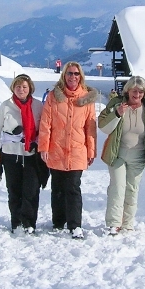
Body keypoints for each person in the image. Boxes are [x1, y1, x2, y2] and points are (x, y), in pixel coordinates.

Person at [98, 75, 145, 235]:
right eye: (134, 91)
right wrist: (116, 113)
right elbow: (102, 125)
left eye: (141, 92)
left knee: (132, 189)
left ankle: (128, 224)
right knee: (117, 187)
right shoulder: (116, 104)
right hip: (117, 154)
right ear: (128, 91)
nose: (137, 95)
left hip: (138, 157)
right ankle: (114, 223)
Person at [39, 62, 98, 239]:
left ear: (81, 77)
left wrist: (91, 150)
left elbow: (90, 126)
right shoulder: (53, 97)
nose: (73, 77)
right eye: (69, 74)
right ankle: (58, 221)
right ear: (64, 76)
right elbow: (45, 123)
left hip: (77, 149)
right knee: (57, 187)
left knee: (73, 187)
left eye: (76, 74)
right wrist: (43, 146)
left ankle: (75, 225)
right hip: (56, 148)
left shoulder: (86, 98)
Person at [0, 74, 44, 234]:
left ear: (30, 89)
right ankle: (16, 221)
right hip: (10, 154)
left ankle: (29, 223)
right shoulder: (6, 106)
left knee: (31, 190)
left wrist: (39, 143)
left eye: (24, 87)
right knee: (14, 189)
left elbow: (44, 128)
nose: (21, 90)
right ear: (13, 87)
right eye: (18, 86)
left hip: (31, 154)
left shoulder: (38, 106)